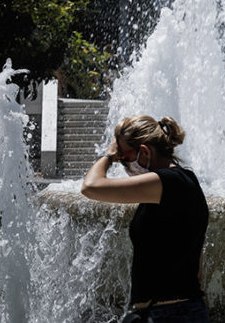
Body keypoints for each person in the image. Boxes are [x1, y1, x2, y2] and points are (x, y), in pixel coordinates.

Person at [81, 115, 210, 323]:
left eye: (124, 157)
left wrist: (108, 155)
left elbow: (90, 186)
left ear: (145, 151)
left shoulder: (168, 182)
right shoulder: (181, 183)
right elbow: (198, 265)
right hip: (169, 311)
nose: (122, 163)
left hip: (170, 315)